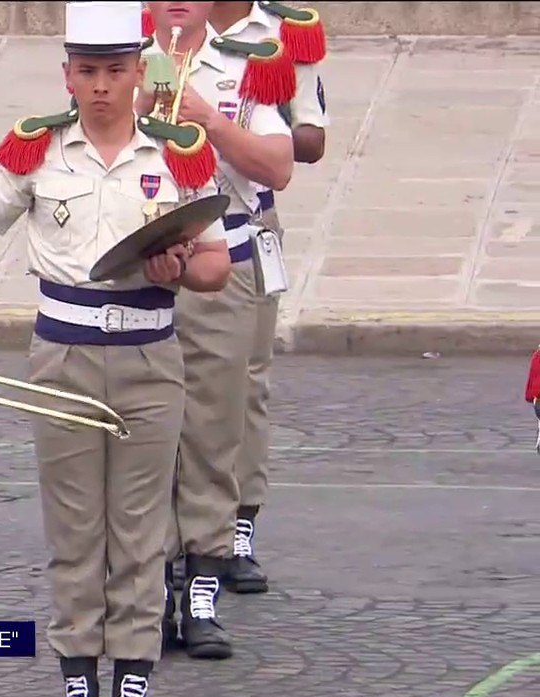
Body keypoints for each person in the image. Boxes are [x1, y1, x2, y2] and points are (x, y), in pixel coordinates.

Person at [0, 3, 232, 697]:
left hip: (150, 354)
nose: (100, 87)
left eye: (115, 71)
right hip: (64, 352)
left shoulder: (178, 150)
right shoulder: (36, 150)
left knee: (139, 527)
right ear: (66, 73)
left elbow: (216, 266)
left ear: (138, 73)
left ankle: (130, 681)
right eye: (87, 71)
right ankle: (77, 677)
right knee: (74, 527)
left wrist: (179, 266)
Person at [139, 1, 295, 660]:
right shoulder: (116, 62)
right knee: (145, 429)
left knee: (213, 424)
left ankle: (202, 580)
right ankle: (149, 582)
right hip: (138, 264)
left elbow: (278, 166)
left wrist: (206, 118)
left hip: (221, 256)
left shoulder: (245, 65)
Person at [208, 0, 330, 595]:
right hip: (160, 225)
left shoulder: (284, 32)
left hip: (245, 226)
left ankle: (238, 526)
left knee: (246, 382)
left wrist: (261, 112)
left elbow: (310, 141)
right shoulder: (155, 26)